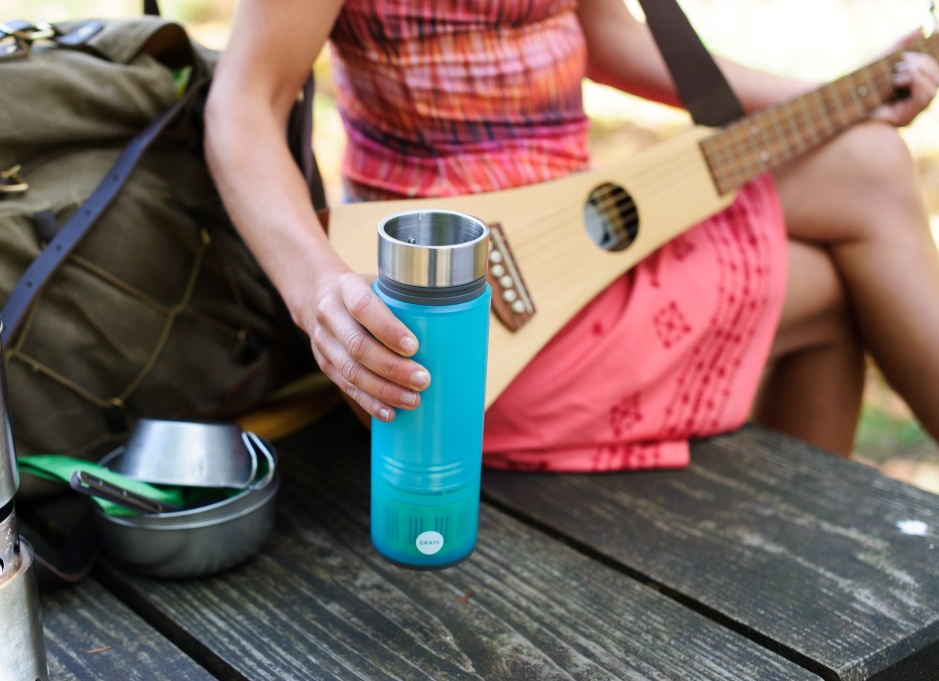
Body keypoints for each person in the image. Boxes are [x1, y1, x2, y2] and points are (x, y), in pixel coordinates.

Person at [204, 0, 939, 471]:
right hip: (469, 323)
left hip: (581, 234)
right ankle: (802, 589)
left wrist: (842, 98)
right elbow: (245, 103)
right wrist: (321, 292)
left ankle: (801, 582)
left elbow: (606, 33)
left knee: (866, 160)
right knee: (834, 292)